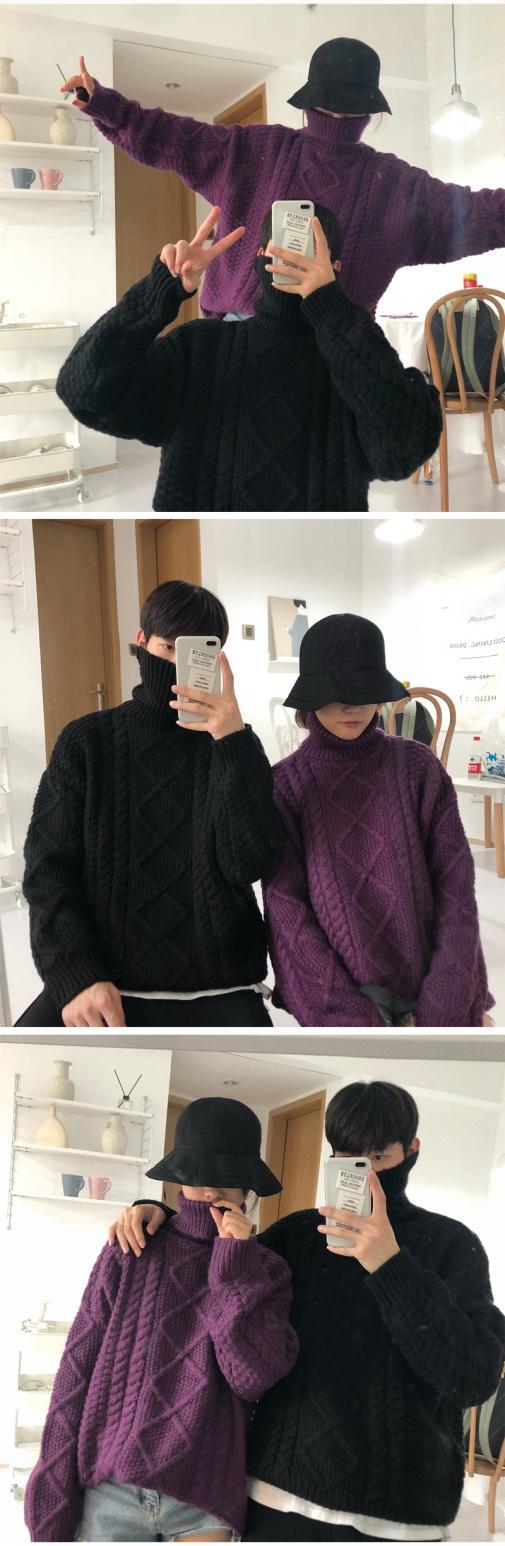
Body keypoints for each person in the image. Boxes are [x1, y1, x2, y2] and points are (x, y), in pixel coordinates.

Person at [105, 1080, 505, 1544]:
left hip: (399, 1516)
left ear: (411, 1151)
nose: (362, 1173)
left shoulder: (452, 1246)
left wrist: (390, 1265)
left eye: (378, 1157)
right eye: (346, 1156)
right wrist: (156, 1212)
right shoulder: (296, 1235)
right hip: (276, 1496)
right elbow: (210, 1269)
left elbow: (473, 1379)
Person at [61, 39, 505, 321]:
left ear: (307, 102)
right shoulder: (397, 184)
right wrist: (107, 106)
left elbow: (172, 138)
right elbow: (480, 215)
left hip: (267, 340)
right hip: (323, 353)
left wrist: (105, 105)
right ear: (371, 112)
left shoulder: (257, 148)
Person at [24, 1098, 299, 1543]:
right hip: (113, 1490)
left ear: (248, 1186)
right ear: (179, 1179)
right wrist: (53, 1492)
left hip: (206, 1500)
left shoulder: (266, 1270)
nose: (209, 1192)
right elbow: (77, 1369)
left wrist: (234, 1267)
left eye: (225, 1179)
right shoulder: (132, 1247)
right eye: (198, 1177)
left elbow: (251, 1379)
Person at [55, 203, 442, 513]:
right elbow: (83, 391)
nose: (291, 259)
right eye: (280, 248)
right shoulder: (197, 350)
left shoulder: (356, 360)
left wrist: (333, 310)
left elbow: (402, 451)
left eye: (309, 254)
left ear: (334, 269)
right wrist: (159, 292)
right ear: (259, 257)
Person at [18, 580, 281, 1027]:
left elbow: (249, 864)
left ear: (218, 657)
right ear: (141, 641)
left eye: (195, 653)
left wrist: (232, 741)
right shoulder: (87, 742)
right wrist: (73, 973)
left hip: (221, 985)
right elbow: (47, 869)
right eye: (168, 647)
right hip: (105, 986)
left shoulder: (235, 746)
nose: (177, 665)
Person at [263, 613, 495, 1027]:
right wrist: (352, 1018)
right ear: (310, 698)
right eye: (336, 695)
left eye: (364, 691)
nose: (352, 707)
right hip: (342, 1003)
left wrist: (447, 996)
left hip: (433, 985)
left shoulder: (417, 768)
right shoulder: (286, 786)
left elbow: (456, 884)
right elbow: (287, 912)